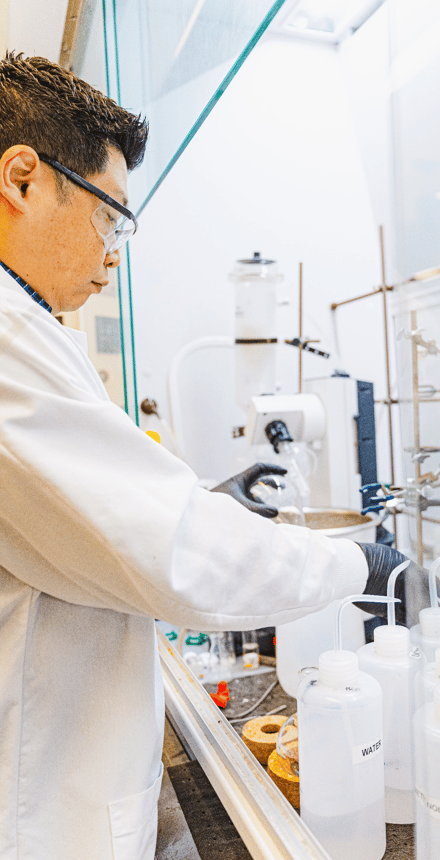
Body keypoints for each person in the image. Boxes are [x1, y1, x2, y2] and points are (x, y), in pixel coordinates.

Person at [0, 52, 413, 860]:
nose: (113, 253)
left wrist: (216, 496)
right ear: (22, 178)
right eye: (109, 217)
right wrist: (356, 564)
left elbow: (92, 513)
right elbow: (174, 554)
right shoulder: (9, 339)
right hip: (39, 809)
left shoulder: (29, 330)